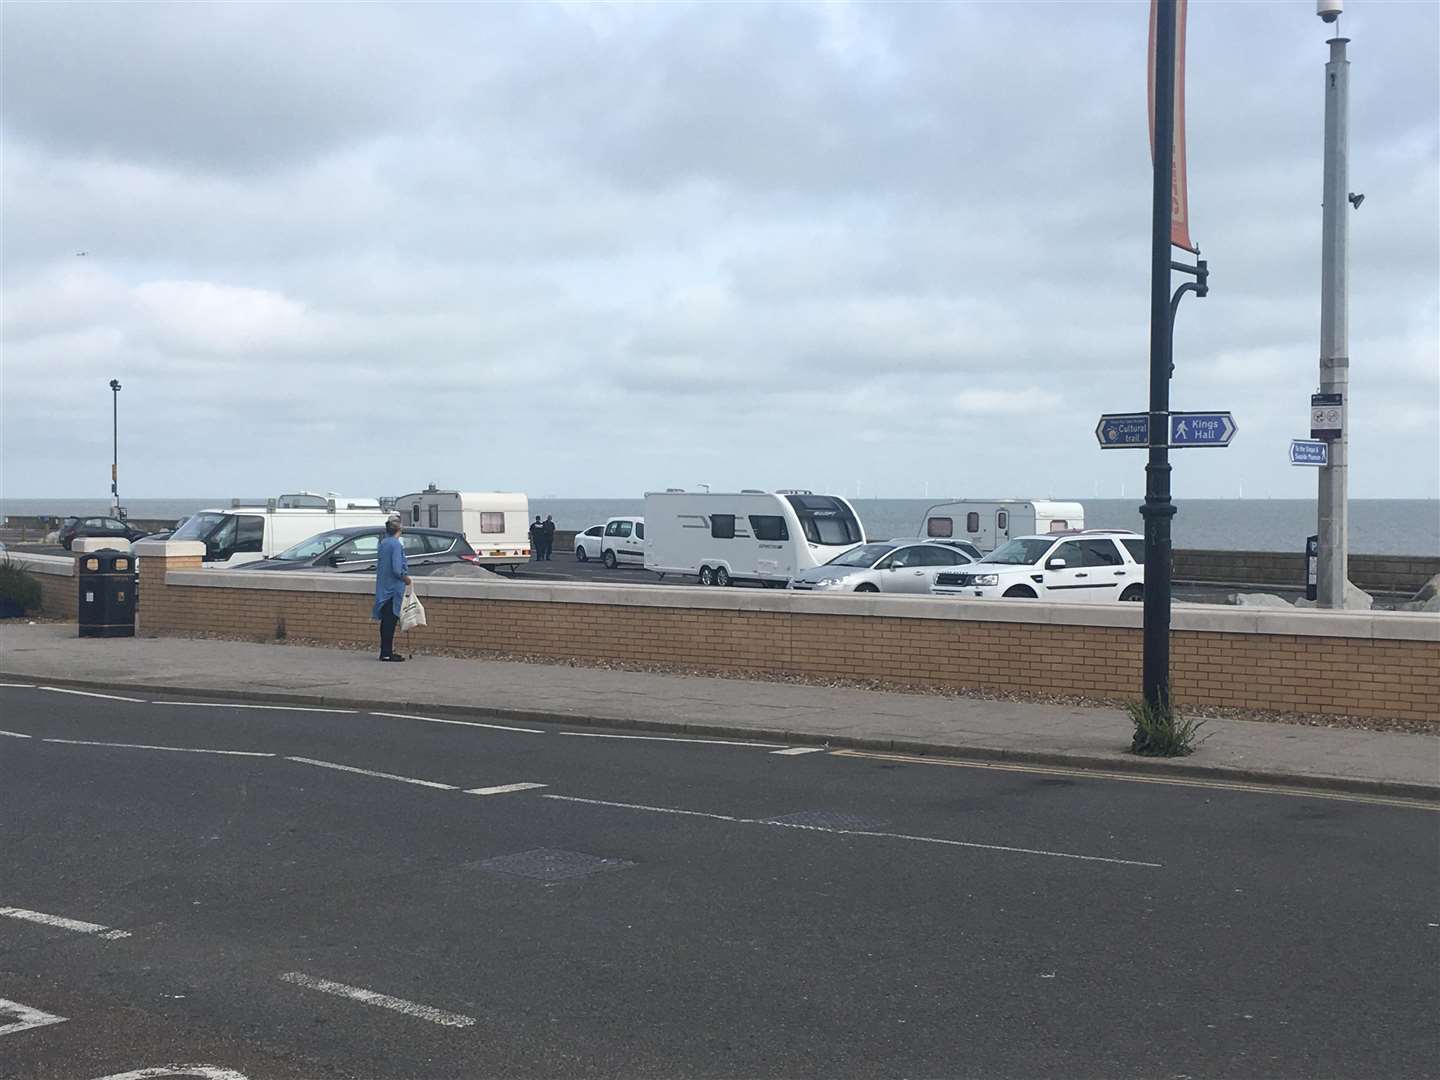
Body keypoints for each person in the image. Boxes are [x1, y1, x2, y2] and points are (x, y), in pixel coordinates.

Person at [373, 517, 412, 662]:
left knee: (385, 622)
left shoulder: (383, 543)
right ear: (399, 530)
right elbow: (396, 568)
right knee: (391, 621)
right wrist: (405, 577)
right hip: (393, 588)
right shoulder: (396, 545)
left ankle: (385, 650)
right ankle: (387, 653)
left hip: (383, 586)